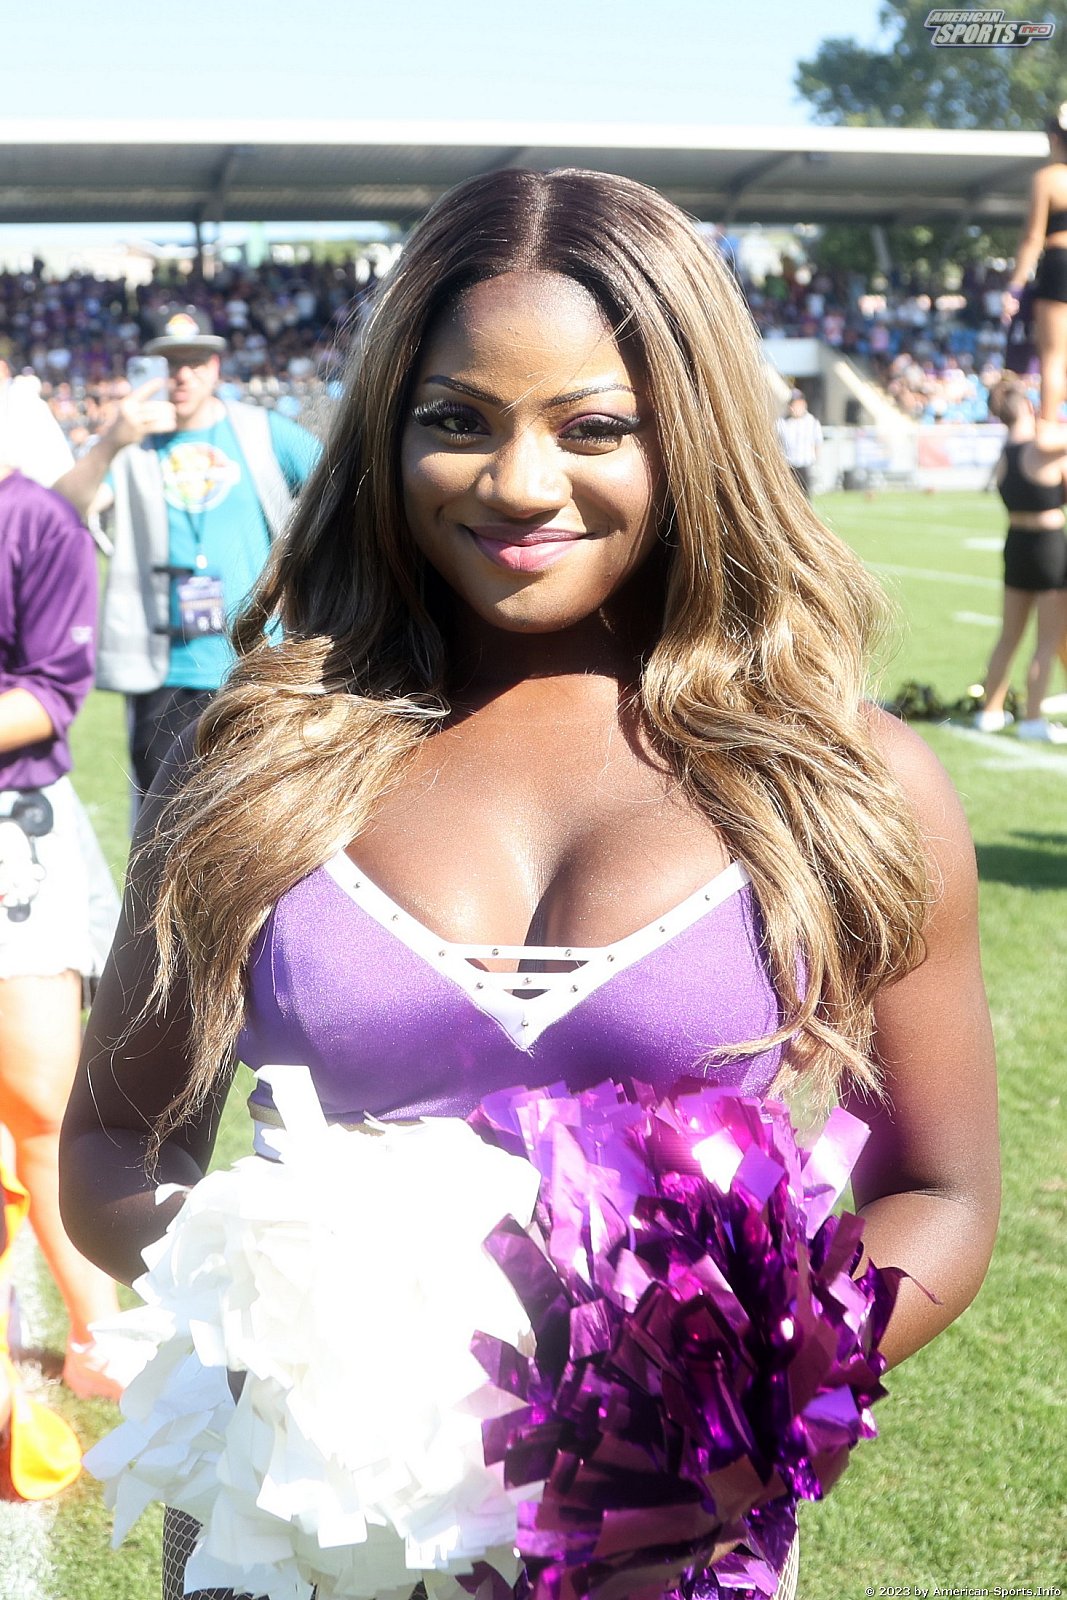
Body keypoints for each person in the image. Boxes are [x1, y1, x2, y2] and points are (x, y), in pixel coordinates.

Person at [60, 169, 1000, 1600]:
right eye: (456, 419)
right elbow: (115, 1144)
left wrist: (731, 1387)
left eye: (592, 427)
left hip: (663, 1555)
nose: (516, 482)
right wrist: (301, 1330)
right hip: (299, 1538)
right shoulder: (251, 758)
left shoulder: (844, 776)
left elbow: (942, 1191)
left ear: (691, 434)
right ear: (386, 432)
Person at [53, 310, 322, 799]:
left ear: (215, 367)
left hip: (256, 663)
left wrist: (305, 577)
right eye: (171, 363)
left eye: (195, 361)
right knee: (162, 824)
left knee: (257, 819)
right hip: (165, 671)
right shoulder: (134, 446)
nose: (183, 375)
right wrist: (110, 441)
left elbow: (340, 489)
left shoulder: (262, 432)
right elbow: (61, 510)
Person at [0, 460, 129, 1401]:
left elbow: (52, 694)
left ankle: (99, 1338)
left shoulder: (37, 521)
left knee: (42, 1100)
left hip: (15, 836)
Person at [974, 381, 1067, 742]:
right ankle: (1032, 719)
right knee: (1047, 639)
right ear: (1028, 408)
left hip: (1015, 544)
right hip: (1049, 546)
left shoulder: (1005, 454)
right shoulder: (1044, 450)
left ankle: (990, 712)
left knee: (1008, 636)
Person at [1002, 104, 1067, 447]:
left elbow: (1032, 239)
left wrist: (1014, 287)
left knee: (1053, 355)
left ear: (1054, 138)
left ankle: (1048, 427)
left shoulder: (1048, 178)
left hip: (1059, 263)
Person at [775, 387, 822, 497]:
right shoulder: (781, 423)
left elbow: (817, 443)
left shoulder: (811, 422)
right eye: (791, 405)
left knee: (805, 496)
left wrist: (815, 462)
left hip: (805, 464)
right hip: (788, 465)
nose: (793, 408)